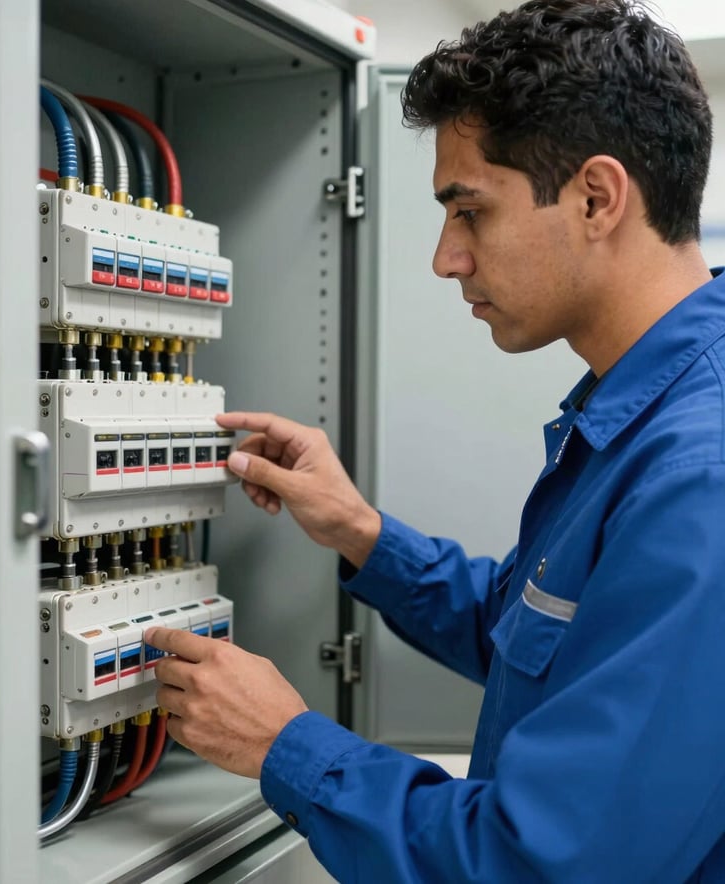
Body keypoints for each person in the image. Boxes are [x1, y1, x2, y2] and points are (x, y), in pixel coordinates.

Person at [145, 0, 725, 879]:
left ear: (598, 198)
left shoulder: (699, 474)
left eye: (470, 211)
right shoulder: (649, 415)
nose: (445, 257)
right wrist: (361, 534)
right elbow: (536, 639)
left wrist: (283, 743)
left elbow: (541, 864)